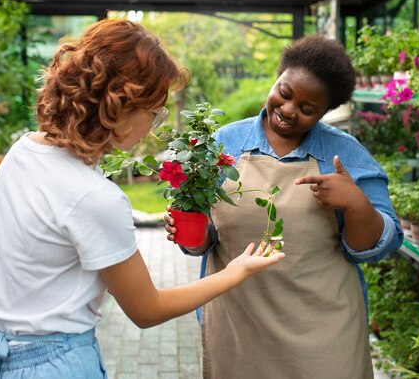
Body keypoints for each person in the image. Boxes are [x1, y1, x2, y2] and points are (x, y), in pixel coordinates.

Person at [0, 18, 284, 379]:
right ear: (119, 105)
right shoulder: (93, 196)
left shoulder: (23, 151)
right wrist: (234, 273)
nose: (153, 126)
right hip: (56, 365)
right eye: (153, 113)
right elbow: (146, 309)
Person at [164, 34, 403, 379]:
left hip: (324, 338)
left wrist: (355, 204)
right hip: (239, 329)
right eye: (285, 93)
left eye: (307, 109)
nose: (288, 110)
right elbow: (207, 238)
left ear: (325, 112)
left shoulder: (346, 155)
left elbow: (380, 244)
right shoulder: (224, 144)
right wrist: (189, 235)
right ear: (277, 77)